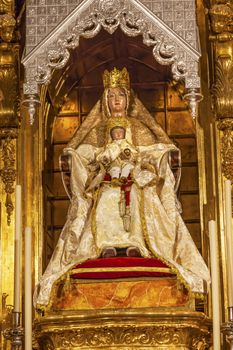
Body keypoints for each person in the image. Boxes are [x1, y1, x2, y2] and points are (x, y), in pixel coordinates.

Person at [34, 67, 210, 308]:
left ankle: (135, 244)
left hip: (134, 181)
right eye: (111, 96)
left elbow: (155, 151)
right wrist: (94, 162)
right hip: (107, 182)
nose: (116, 100)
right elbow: (83, 154)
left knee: (136, 197)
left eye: (120, 95)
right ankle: (107, 245)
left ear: (128, 99)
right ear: (105, 101)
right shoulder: (96, 129)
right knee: (106, 197)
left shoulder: (140, 126)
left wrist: (140, 162)